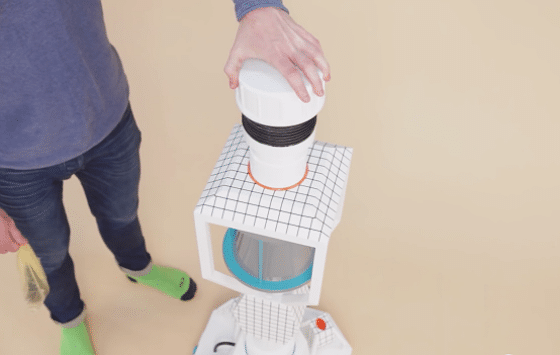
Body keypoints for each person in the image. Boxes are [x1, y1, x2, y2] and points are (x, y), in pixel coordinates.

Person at [0, 0, 330, 354]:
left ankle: (137, 267)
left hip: (107, 118)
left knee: (122, 214)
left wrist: (258, 7)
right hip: (15, 163)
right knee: (47, 254)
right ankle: (69, 318)